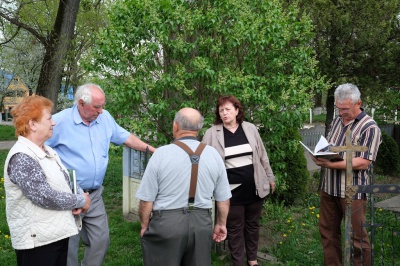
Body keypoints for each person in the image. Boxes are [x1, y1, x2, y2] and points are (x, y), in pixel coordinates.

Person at [46, 83, 157, 266]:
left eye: (102, 105)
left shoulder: (105, 119)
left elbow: (126, 138)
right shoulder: (59, 122)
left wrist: (152, 150)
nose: (101, 110)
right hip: (69, 194)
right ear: (81, 103)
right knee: (68, 246)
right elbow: (40, 148)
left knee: (101, 240)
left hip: (95, 194)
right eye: (97, 107)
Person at [136, 107, 231, 265]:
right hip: (202, 224)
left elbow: (146, 199)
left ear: (175, 126)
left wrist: (145, 225)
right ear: (199, 128)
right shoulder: (214, 154)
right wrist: (221, 224)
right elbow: (224, 199)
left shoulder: (161, 154)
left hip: (166, 224)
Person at [3, 95, 91, 266]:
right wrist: (80, 200)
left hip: (54, 235)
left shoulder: (46, 150)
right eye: (49, 118)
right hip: (37, 243)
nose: (53, 123)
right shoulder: (22, 156)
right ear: (32, 124)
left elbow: (65, 179)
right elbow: (44, 196)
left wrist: (79, 194)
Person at [310, 83, 381, 266]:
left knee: (357, 239)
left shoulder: (369, 127)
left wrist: (331, 165)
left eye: (345, 109)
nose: (341, 113)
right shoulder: (336, 121)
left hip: (353, 191)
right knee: (328, 233)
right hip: (329, 188)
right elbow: (330, 147)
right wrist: (321, 155)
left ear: (359, 103)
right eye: (338, 108)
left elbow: (364, 161)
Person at [202, 95, 276, 266]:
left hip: (254, 187)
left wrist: (270, 177)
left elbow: (262, 156)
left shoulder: (250, 129)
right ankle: (238, 262)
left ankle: (252, 260)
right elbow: (204, 160)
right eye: (221, 110)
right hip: (229, 191)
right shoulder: (212, 133)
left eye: (228, 109)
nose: (224, 113)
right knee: (235, 229)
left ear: (237, 110)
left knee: (252, 225)